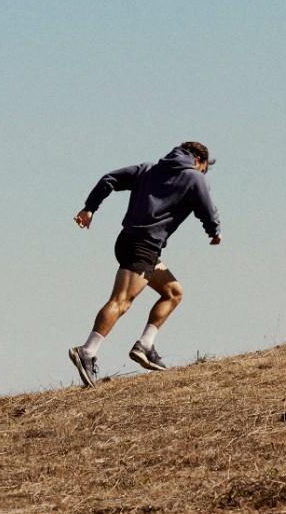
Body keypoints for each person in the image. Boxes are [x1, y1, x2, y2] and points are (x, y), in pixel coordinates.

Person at [68, 141, 221, 388]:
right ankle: (86, 351)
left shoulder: (147, 170)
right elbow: (206, 207)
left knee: (173, 292)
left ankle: (145, 345)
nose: (202, 175)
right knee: (121, 301)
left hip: (130, 242)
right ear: (198, 160)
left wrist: (90, 208)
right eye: (203, 169)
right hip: (144, 245)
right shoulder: (194, 177)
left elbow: (109, 179)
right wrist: (214, 231)